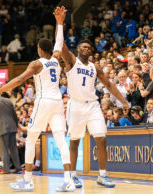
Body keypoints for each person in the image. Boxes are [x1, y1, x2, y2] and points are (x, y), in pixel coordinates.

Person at [0, 7, 75, 192]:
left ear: (39, 49)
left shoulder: (36, 63)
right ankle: (68, 179)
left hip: (43, 102)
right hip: (58, 103)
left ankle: (27, 180)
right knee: (61, 139)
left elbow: (19, 79)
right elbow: (59, 44)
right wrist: (60, 23)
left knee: (31, 140)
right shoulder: (56, 60)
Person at [61, 16, 130, 188]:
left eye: (89, 47)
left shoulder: (95, 67)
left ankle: (102, 175)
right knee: (75, 141)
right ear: (78, 49)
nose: (86, 49)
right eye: (83, 46)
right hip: (75, 104)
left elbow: (109, 84)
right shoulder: (71, 60)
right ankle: (73, 175)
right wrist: (60, 23)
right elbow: (60, 46)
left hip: (93, 106)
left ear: (91, 51)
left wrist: (124, 102)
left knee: (101, 138)